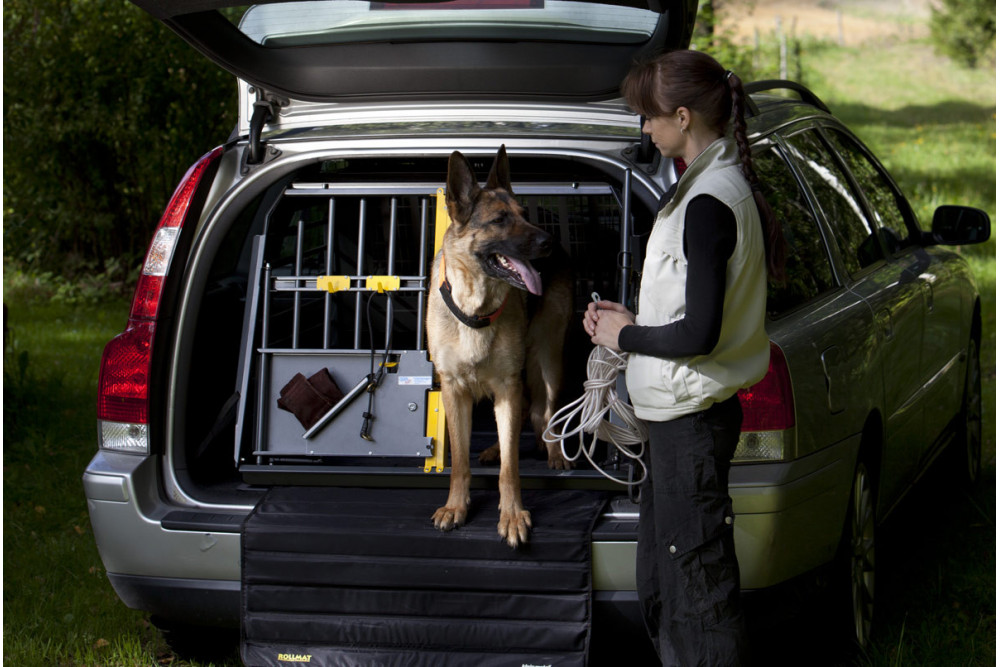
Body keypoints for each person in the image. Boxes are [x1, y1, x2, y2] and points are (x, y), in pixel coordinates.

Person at [583, 50, 785, 666]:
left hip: (690, 426)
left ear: (681, 116)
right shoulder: (708, 187)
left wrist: (625, 338)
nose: (644, 128)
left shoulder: (707, 201)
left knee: (697, 599)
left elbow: (699, 333)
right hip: (681, 424)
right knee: (668, 588)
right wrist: (631, 325)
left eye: (648, 116)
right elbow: (692, 315)